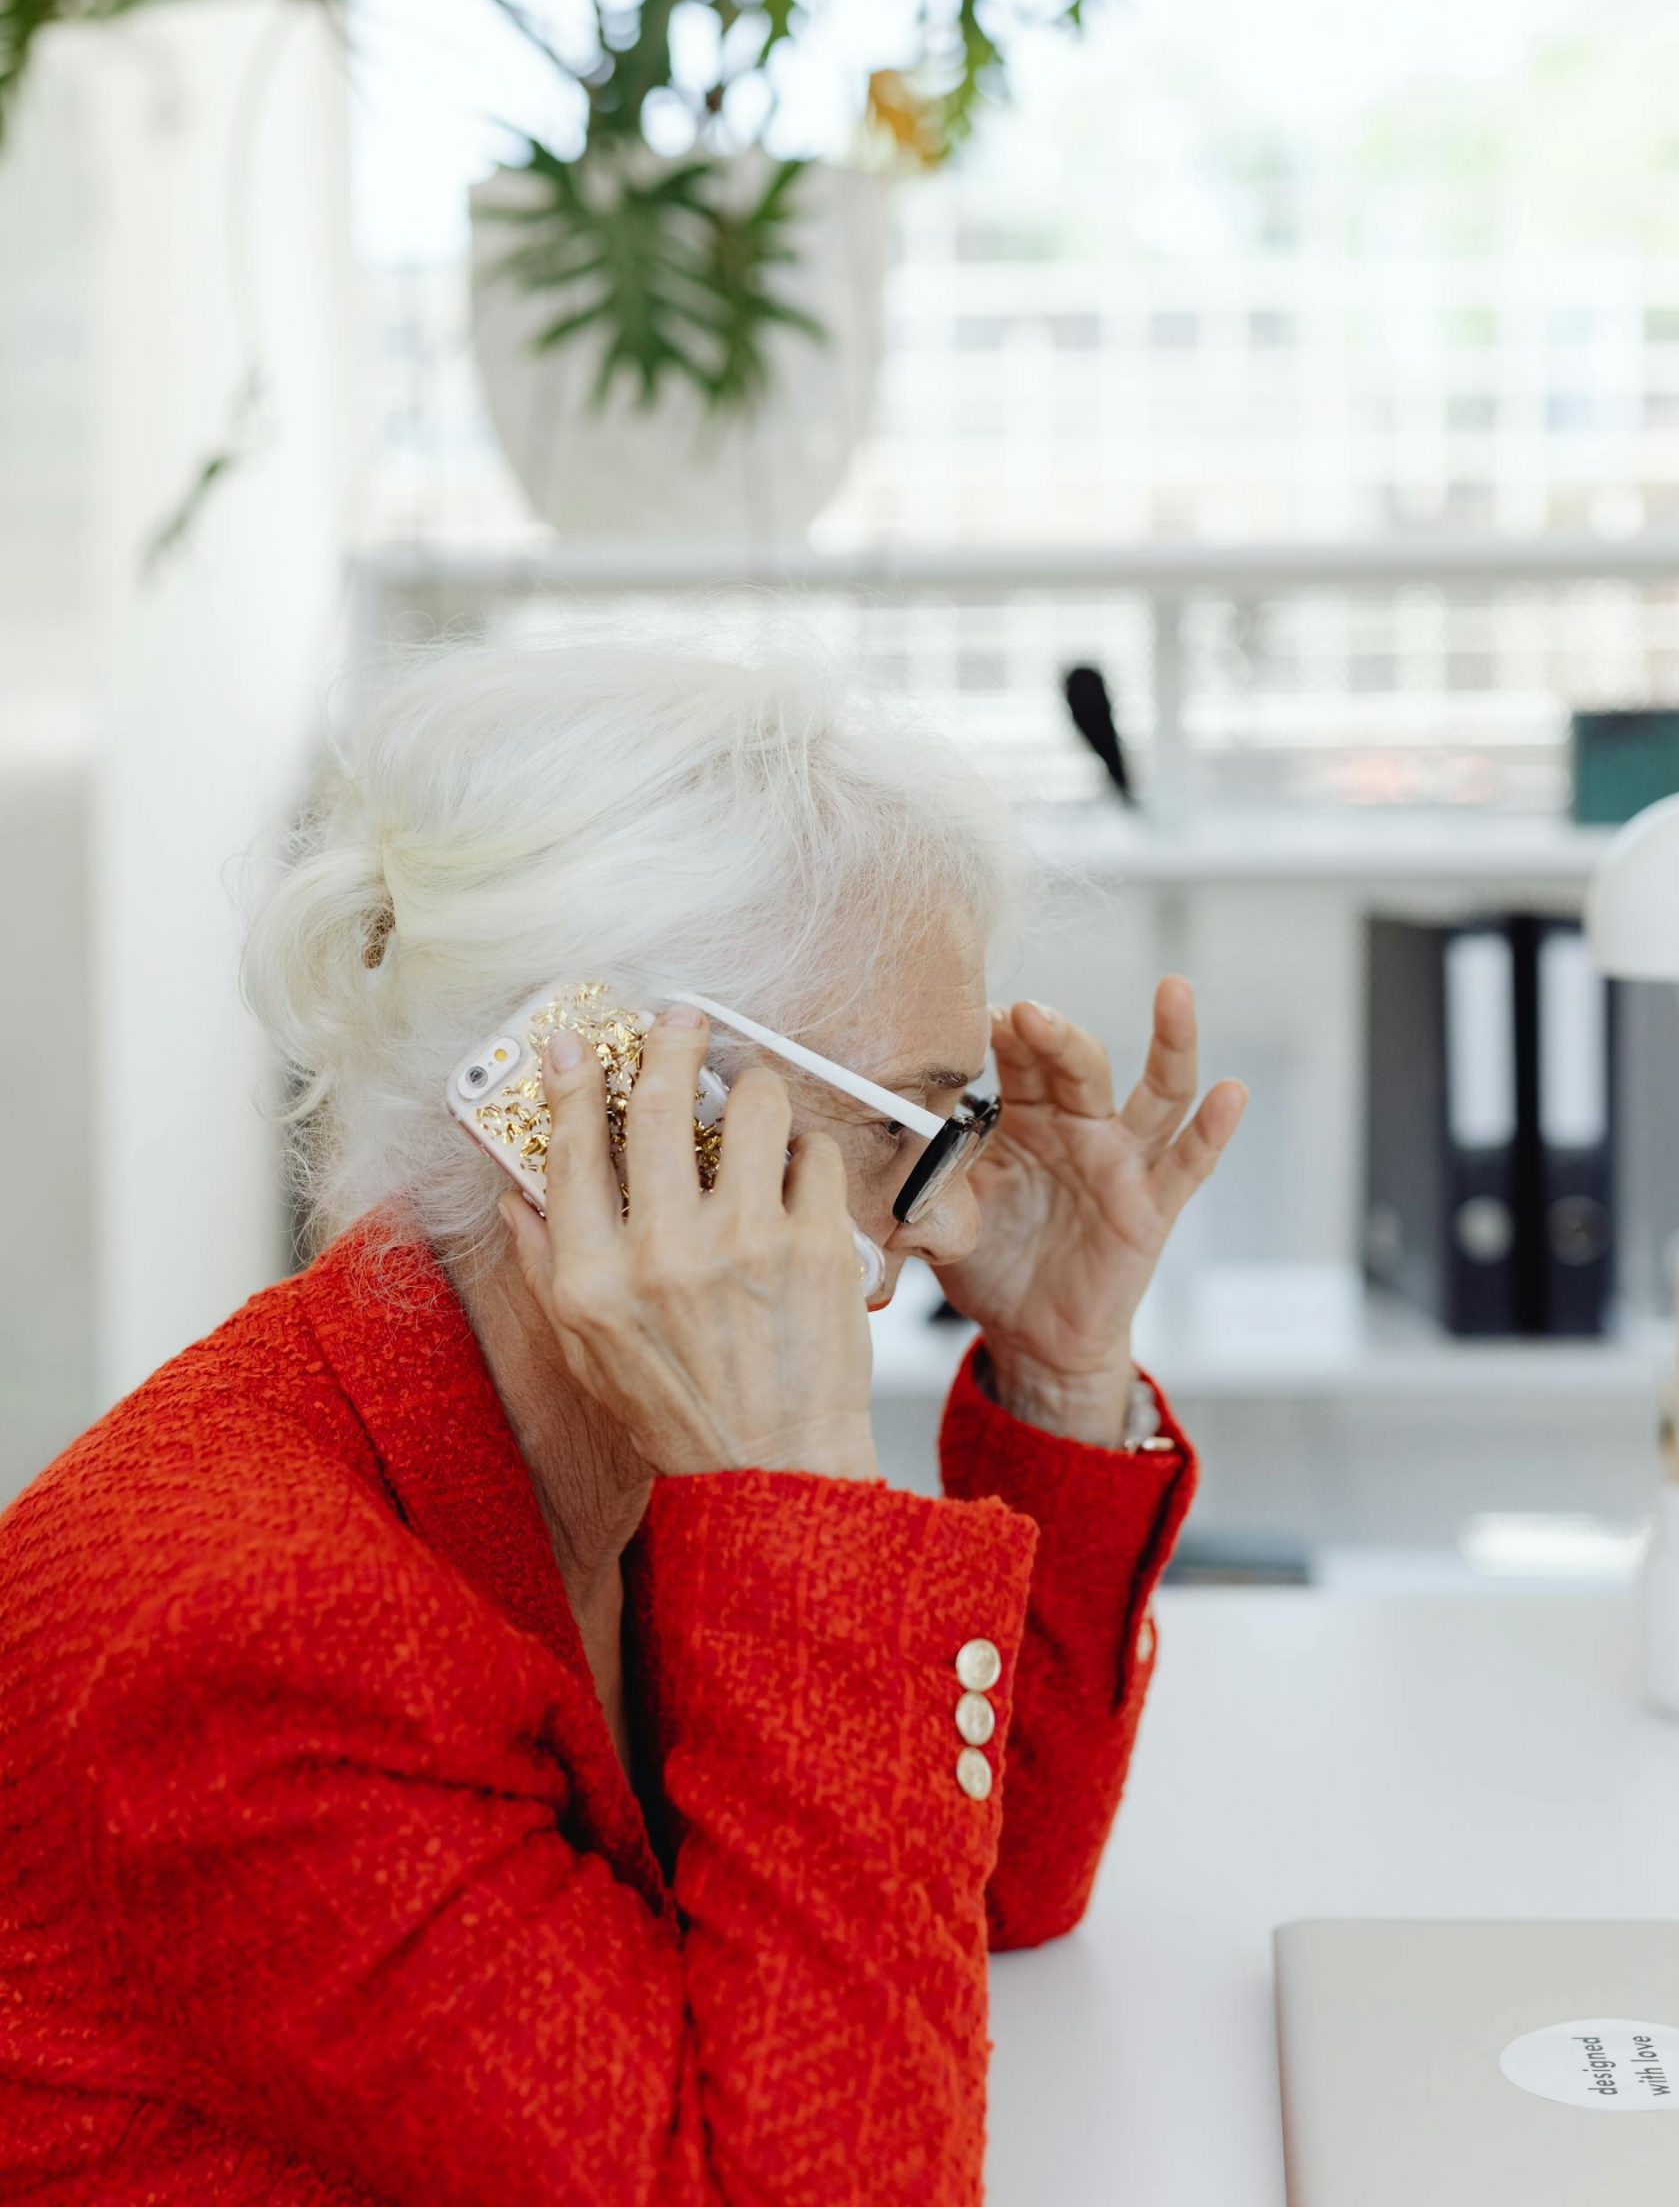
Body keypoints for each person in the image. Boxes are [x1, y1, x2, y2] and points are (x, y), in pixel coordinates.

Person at [0, 643, 1245, 2204]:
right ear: (597, 1112)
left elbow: (1003, 1874)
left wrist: (1061, 1367)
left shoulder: (595, 1422)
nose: (942, 1227)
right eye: (909, 1128)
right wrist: (800, 1501)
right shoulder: (261, 1643)